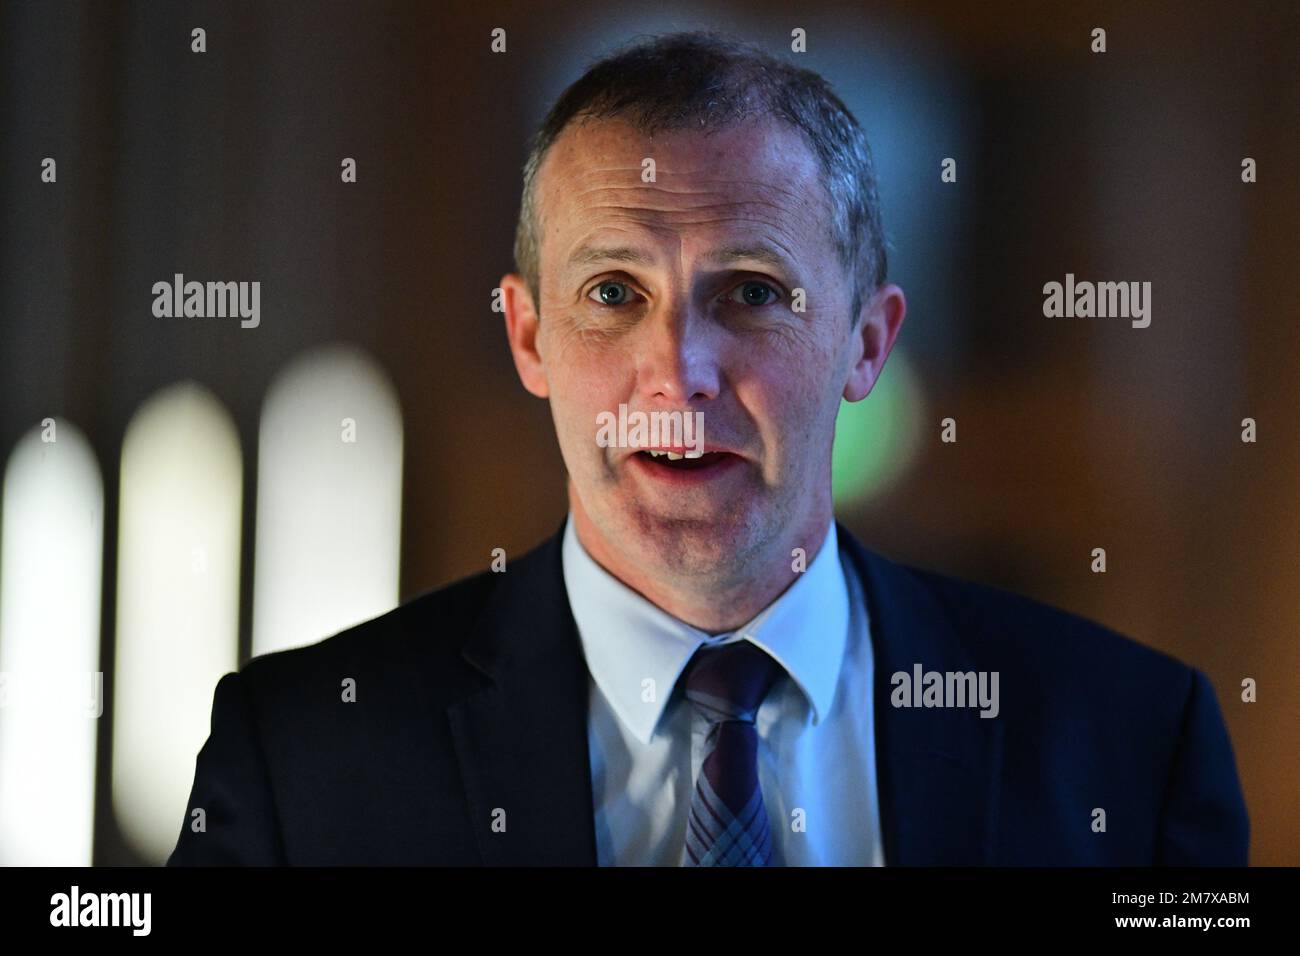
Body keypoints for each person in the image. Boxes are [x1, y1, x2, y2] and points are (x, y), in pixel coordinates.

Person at [168, 31, 1248, 866]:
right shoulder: (302, 760)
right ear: (528, 335)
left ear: (867, 340)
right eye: (611, 293)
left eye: (751, 292)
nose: (675, 372)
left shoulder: (1132, 745)